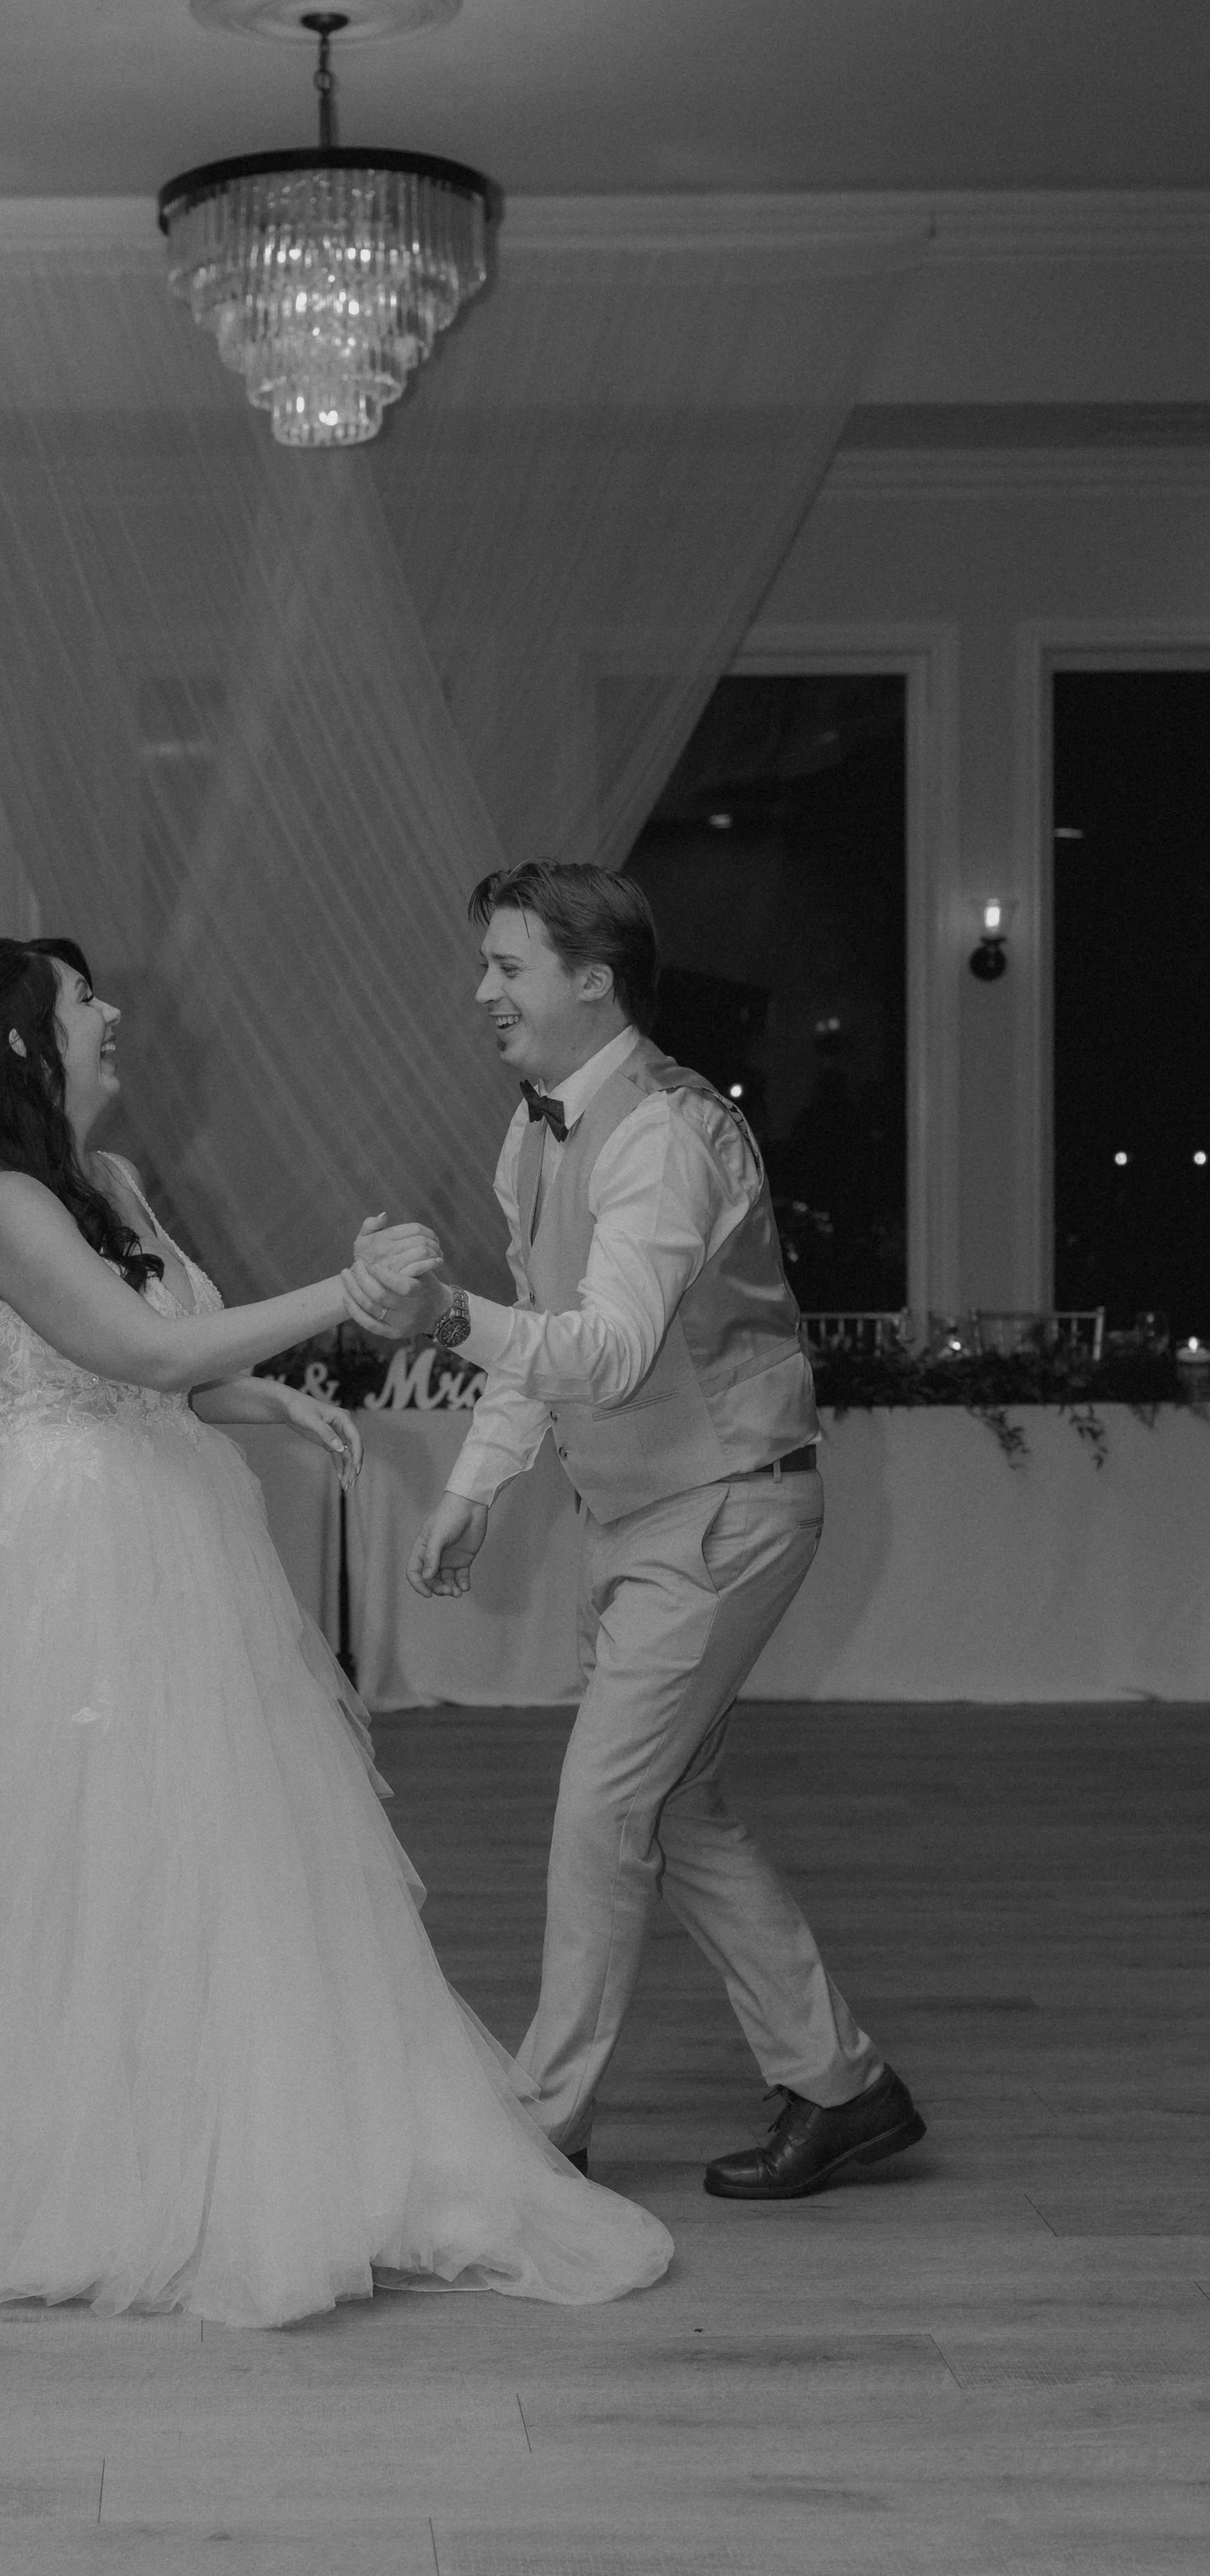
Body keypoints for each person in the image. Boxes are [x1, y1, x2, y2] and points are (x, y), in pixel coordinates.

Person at [0, 936, 670, 2326]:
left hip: (177, 1534)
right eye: (85, 1003)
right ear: (30, 1045)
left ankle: (260, 2145)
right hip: (71, 1560)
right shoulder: (2, 1206)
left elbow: (172, 1372)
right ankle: (116, 2173)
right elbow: (137, 1357)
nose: (113, 1015)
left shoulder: (111, 1185)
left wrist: (271, 1401)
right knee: (105, 1849)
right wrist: (347, 1294)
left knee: (230, 1834)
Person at [359, 861, 924, 2203]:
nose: (480, 991)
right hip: (655, 1514)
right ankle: (840, 2087)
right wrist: (471, 1485)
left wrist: (443, 1319)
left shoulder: (661, 1131)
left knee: (604, 1806)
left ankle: (541, 2123)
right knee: (675, 1807)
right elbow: (543, 1336)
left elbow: (604, 1351)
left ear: (590, 977)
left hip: (727, 1505)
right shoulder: (533, 1133)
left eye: (507, 966)